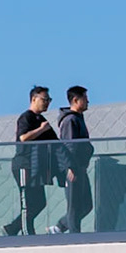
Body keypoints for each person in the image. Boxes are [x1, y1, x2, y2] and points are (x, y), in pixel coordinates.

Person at [2, 86, 57, 236]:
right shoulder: (26, 117)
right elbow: (23, 138)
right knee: (27, 203)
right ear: (34, 99)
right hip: (24, 165)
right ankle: (27, 234)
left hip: (36, 167)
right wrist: (41, 130)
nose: (47, 103)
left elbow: (55, 142)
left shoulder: (42, 120)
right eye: (44, 100)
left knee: (39, 202)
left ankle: (12, 228)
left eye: (49, 100)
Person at [54, 86, 94, 234]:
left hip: (80, 168)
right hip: (73, 169)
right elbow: (69, 146)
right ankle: (75, 238)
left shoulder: (78, 119)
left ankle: (59, 227)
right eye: (85, 98)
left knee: (86, 205)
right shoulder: (70, 120)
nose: (88, 101)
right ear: (75, 100)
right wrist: (69, 167)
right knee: (74, 207)